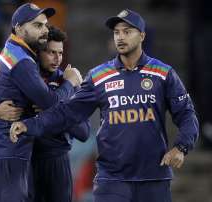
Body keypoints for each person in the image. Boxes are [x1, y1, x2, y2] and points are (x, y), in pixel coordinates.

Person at [10, 9, 199, 202]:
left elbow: (186, 113)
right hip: (112, 181)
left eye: (127, 31)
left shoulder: (163, 73)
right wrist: (31, 124)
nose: (120, 37)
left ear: (142, 36)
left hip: (154, 178)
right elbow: (67, 112)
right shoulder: (98, 76)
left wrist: (181, 147)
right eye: (116, 32)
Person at [0, 25, 90, 202]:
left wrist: (53, 110)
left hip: (55, 161)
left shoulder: (66, 84)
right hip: (26, 159)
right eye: (51, 52)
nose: (57, 58)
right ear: (37, 52)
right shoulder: (22, 78)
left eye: (60, 53)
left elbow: (83, 132)